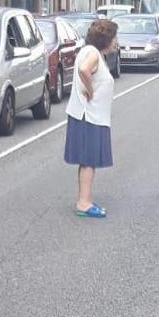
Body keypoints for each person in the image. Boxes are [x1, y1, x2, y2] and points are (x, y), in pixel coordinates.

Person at [64, 19, 119, 218]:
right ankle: (84, 203)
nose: (116, 41)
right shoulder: (93, 53)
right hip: (90, 117)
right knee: (89, 161)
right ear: (105, 38)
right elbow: (84, 70)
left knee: (87, 161)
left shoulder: (90, 52)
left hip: (90, 116)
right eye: (114, 37)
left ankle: (84, 199)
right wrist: (90, 90)